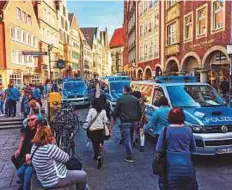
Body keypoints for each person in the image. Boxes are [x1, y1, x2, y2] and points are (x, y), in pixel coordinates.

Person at [156, 107, 198, 190]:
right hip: (187, 167)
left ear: (170, 117)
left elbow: (159, 149)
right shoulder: (188, 130)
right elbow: (193, 148)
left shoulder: (165, 130)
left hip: (170, 168)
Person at [112, 86, 141, 163]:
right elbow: (139, 111)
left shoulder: (121, 99)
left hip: (125, 122)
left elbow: (115, 111)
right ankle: (130, 151)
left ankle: (130, 156)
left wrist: (114, 119)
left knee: (127, 139)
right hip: (134, 122)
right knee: (130, 138)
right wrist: (138, 120)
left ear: (124, 90)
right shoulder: (135, 99)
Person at [12, 113, 41, 190]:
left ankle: (25, 182)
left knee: (27, 171)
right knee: (14, 158)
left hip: (32, 152)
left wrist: (38, 130)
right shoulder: (27, 128)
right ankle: (22, 179)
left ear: (37, 120)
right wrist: (19, 149)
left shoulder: (39, 129)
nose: (30, 121)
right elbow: (22, 138)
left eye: (32, 119)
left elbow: (37, 141)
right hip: (25, 148)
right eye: (28, 120)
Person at [86, 98, 108, 169]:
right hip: (101, 129)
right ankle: (99, 154)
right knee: (100, 143)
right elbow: (105, 120)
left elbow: (88, 120)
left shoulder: (91, 110)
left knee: (94, 144)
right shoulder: (103, 110)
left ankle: (97, 156)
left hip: (93, 130)